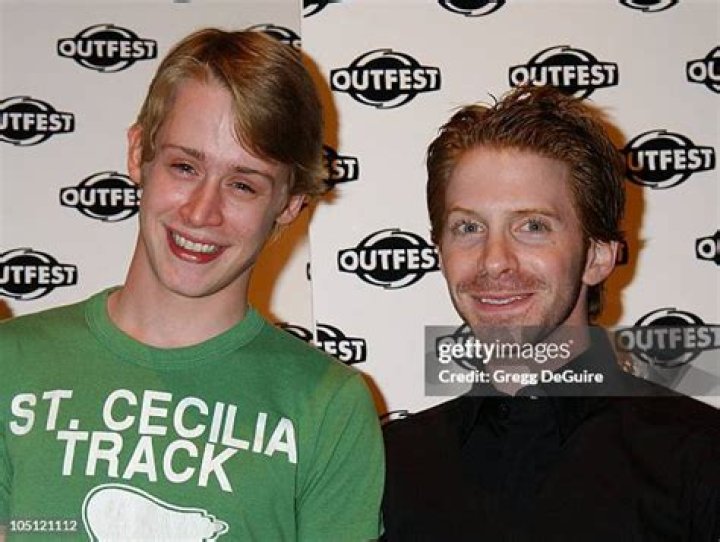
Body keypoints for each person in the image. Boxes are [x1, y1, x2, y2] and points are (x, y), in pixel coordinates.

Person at [0, 29, 383, 542]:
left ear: (290, 203)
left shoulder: (328, 406)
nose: (202, 212)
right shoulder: (11, 364)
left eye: (242, 184)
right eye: (185, 167)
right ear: (138, 153)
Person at [381, 85, 719, 540]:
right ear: (439, 252)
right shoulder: (392, 467)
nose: (494, 261)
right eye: (468, 227)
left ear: (597, 256)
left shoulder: (699, 456)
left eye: (532, 226)